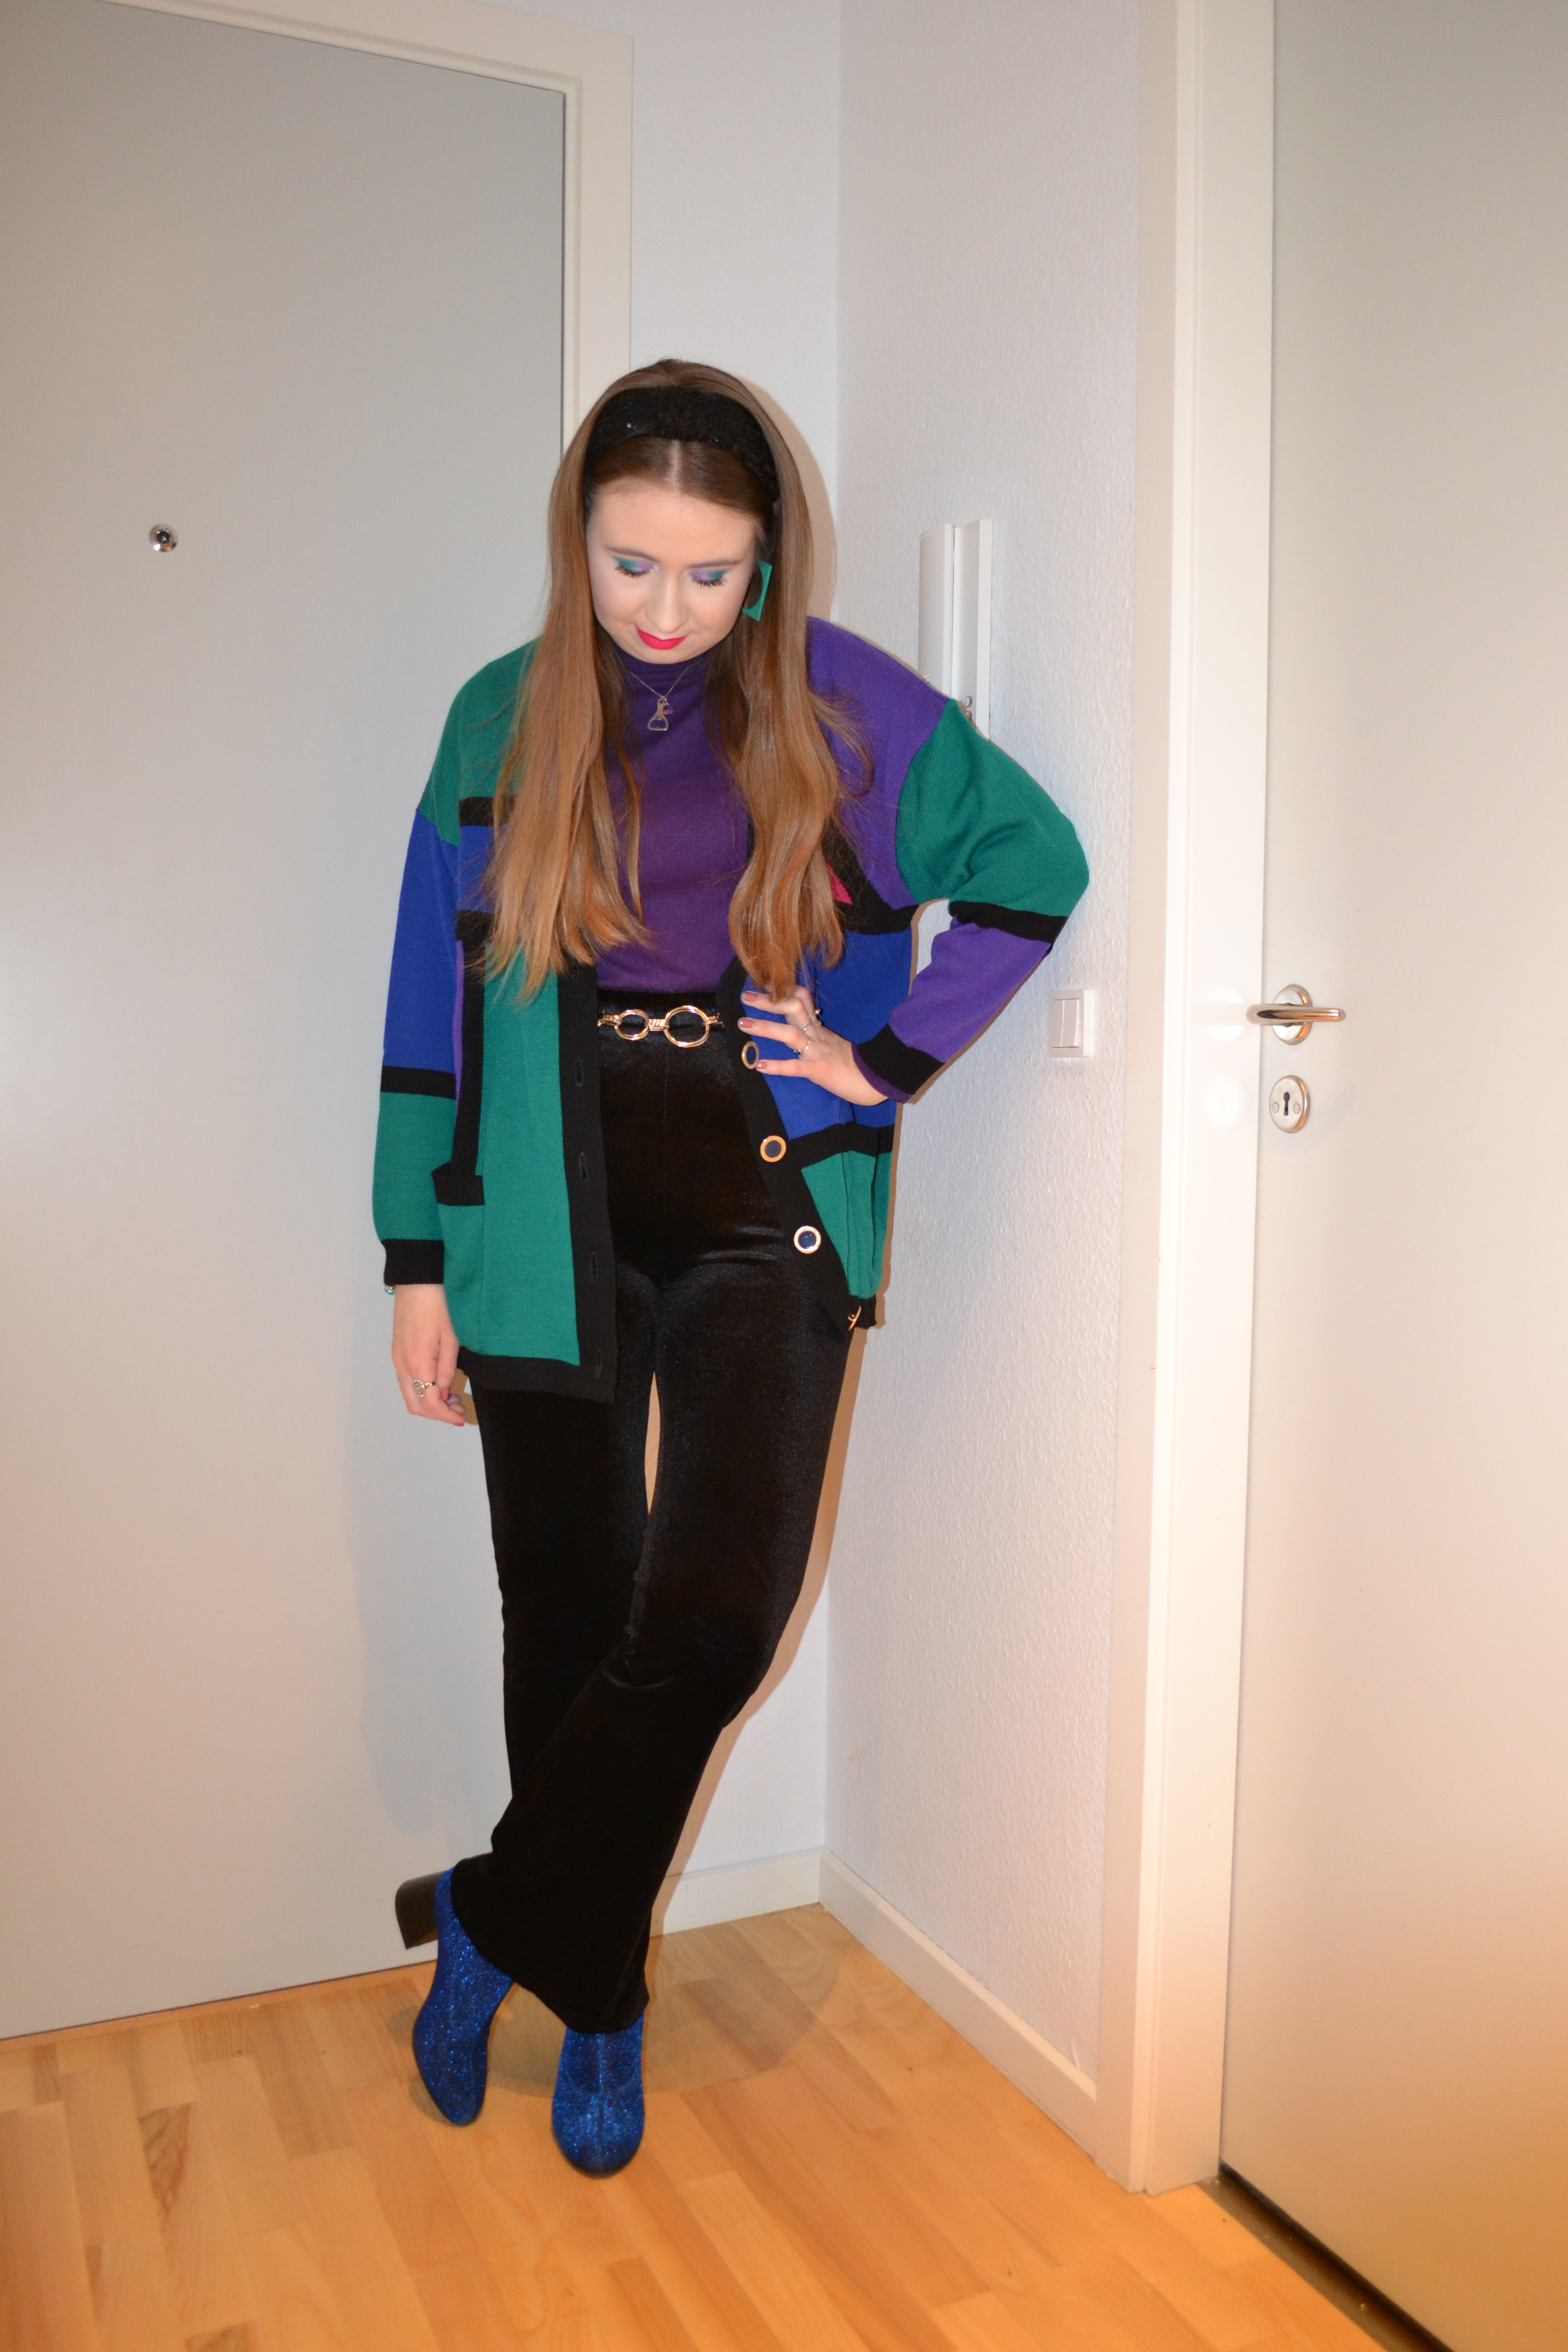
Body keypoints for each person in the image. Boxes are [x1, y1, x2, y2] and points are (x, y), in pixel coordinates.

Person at [373, 358, 1088, 2174]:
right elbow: (426, 1002)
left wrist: (887, 1058)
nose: (666, 610)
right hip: (537, 1206)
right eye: (630, 564)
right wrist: (413, 1256)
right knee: (568, 1609)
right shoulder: (496, 716)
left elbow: (1034, 861)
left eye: (709, 573)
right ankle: (602, 1997)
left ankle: (494, 1916)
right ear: (577, 542)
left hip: (772, 1200)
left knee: (710, 1624)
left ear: (766, 561)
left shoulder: (842, 705)